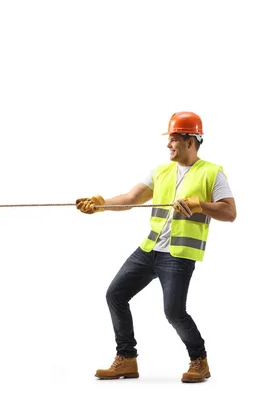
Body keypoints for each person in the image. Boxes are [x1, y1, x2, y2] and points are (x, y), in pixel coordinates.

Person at [76, 111, 236, 383]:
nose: (168, 145)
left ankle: (199, 360)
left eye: (174, 139)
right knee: (115, 295)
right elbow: (130, 198)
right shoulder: (161, 171)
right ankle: (126, 359)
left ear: (191, 141)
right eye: (169, 139)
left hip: (178, 256)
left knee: (174, 312)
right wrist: (100, 205)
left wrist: (201, 205)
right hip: (149, 250)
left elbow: (230, 212)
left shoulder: (212, 172)